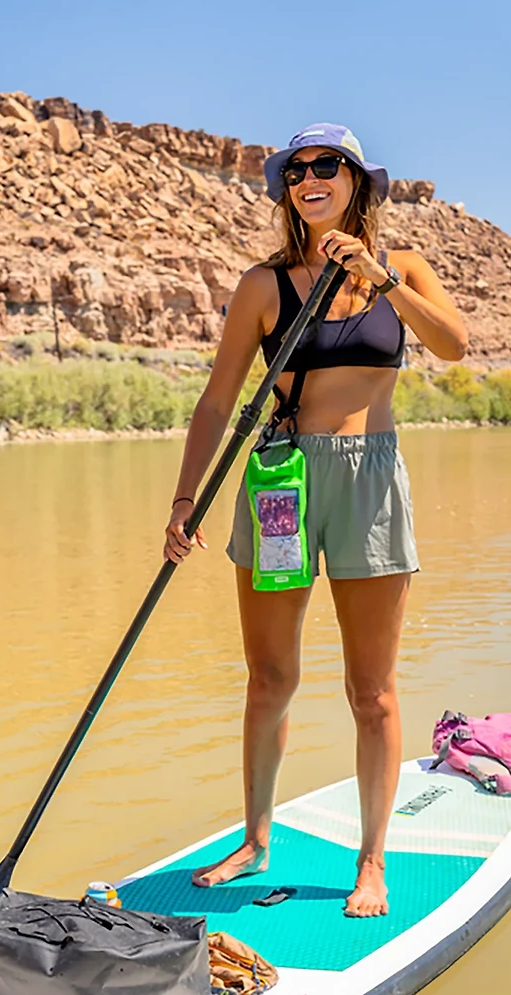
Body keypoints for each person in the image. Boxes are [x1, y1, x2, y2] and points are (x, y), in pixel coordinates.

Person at [164, 124, 467, 917]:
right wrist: (183, 500)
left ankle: (372, 862)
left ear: (357, 181)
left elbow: (457, 346)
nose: (308, 178)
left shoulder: (402, 269)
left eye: (325, 165)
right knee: (269, 680)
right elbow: (218, 400)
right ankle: (256, 840)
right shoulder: (264, 285)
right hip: (280, 484)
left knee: (372, 692)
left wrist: (381, 279)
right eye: (295, 171)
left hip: (371, 483)